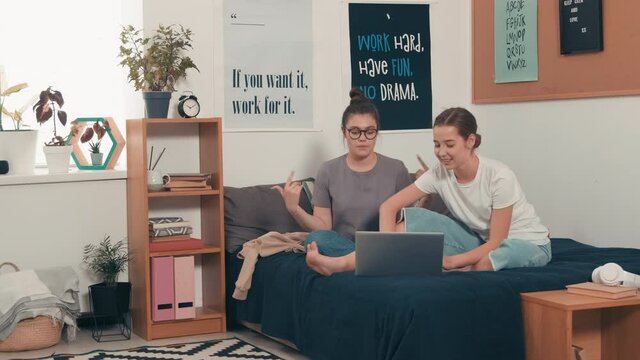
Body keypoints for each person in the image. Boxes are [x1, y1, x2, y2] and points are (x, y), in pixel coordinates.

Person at [306, 107, 552, 275]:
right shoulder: (439, 173)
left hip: (525, 243)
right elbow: (389, 207)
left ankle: (443, 266)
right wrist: (386, 251)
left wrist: (452, 262)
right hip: (480, 240)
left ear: (471, 141)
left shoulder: (499, 177)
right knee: (413, 221)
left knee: (485, 263)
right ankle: (338, 264)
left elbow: (498, 241)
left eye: (449, 144)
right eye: (436, 144)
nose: (441, 152)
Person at [273, 88, 412, 275]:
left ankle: (355, 261)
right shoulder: (328, 170)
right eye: (355, 131)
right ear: (344, 132)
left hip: (385, 244)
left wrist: (425, 191)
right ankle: (365, 260)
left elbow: (409, 221)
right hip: (342, 245)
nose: (363, 138)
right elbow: (323, 227)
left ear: (377, 132)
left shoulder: (397, 169)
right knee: (316, 239)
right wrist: (294, 209)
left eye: (369, 131)